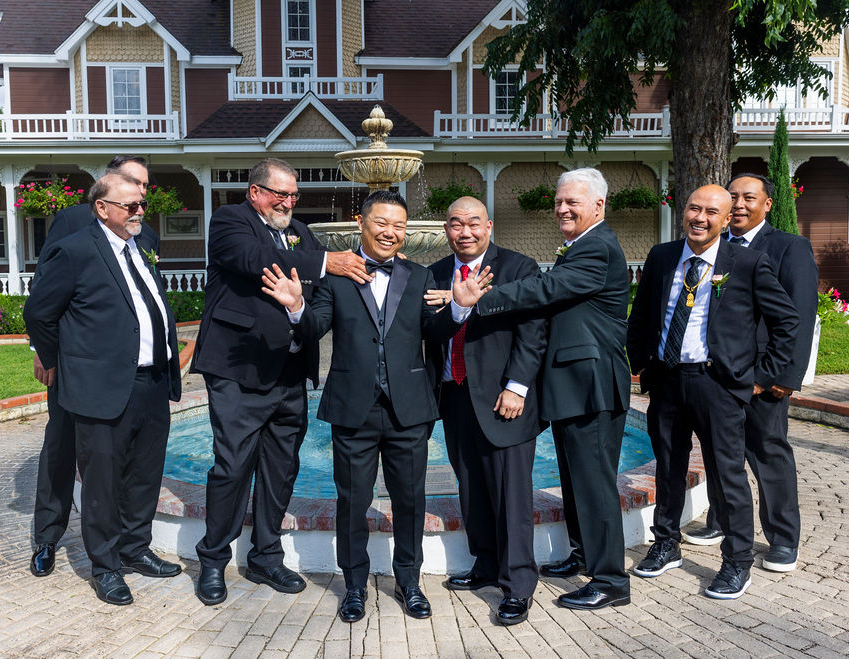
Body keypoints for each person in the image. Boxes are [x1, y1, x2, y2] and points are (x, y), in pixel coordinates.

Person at [263, 190, 458, 624]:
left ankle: (409, 582)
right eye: (382, 223)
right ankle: (354, 586)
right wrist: (296, 306)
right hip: (353, 407)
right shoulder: (337, 274)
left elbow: (434, 331)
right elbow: (316, 325)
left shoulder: (420, 275)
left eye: (399, 226)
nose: (391, 232)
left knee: (411, 499)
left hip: (409, 408)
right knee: (352, 500)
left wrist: (459, 308)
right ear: (361, 223)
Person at [190, 158, 370, 606]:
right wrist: (327, 261)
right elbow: (256, 260)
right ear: (255, 192)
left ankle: (266, 557)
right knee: (232, 467)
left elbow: (320, 289)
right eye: (280, 194)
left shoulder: (301, 233)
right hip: (238, 370)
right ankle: (213, 560)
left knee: (281, 468)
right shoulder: (230, 222)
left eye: (293, 195)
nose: (288, 202)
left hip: (290, 373)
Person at [451, 168, 632, 611]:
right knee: (576, 480)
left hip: (592, 386)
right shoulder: (581, 246)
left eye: (573, 202)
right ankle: (583, 555)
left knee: (594, 485)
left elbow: (547, 288)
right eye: (558, 202)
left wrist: (481, 298)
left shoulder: (598, 247)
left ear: (599, 205)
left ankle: (610, 580)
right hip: (573, 387)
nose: (562, 209)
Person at [627, 184, 799, 600]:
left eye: (710, 212)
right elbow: (642, 313)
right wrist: (640, 363)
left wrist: (761, 377)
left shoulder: (747, 262)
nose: (700, 218)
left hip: (718, 385)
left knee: (727, 474)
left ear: (725, 220)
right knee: (668, 467)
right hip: (667, 380)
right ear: (683, 211)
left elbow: (787, 322)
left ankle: (737, 561)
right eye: (694, 208)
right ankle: (666, 543)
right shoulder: (662, 256)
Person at [23, 171, 183, 605]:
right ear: (102, 207)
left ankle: (135, 548)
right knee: (102, 481)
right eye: (130, 205)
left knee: (144, 473)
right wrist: (59, 361)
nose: (140, 211)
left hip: (152, 380)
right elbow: (39, 312)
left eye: (142, 204)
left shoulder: (141, 245)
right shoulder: (75, 250)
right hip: (101, 386)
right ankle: (106, 566)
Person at [682, 174, 818, 573]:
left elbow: (800, 314)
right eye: (734, 197)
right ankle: (720, 521)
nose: (740, 204)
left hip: (763, 376)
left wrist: (784, 377)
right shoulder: (714, 245)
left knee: (767, 453)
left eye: (749, 198)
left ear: (767, 204)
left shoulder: (789, 247)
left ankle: (783, 538)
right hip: (715, 374)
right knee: (719, 452)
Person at [422, 196, 546, 625]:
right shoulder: (436, 273)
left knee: (512, 495)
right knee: (471, 486)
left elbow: (533, 333)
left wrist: (517, 387)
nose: (465, 232)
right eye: (456, 224)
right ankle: (487, 564)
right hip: (454, 394)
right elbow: (430, 331)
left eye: (473, 222)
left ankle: (518, 585)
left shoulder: (518, 268)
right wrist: (456, 307)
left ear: (489, 226)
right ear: (446, 230)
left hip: (503, 399)